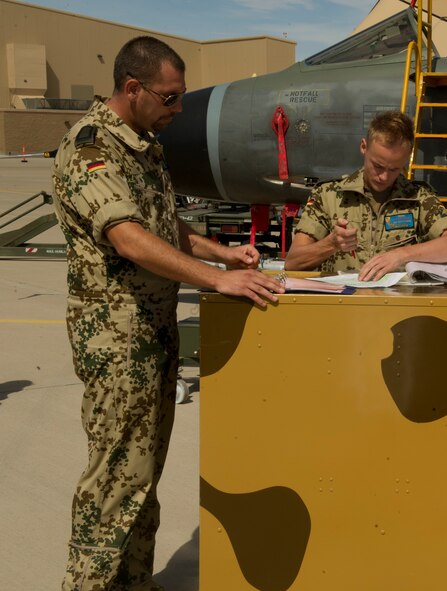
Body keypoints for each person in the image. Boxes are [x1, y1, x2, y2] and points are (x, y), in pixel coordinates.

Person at [52, 36, 284, 591]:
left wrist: (222, 252)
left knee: (144, 473)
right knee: (114, 480)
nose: (178, 110)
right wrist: (218, 279)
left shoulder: (142, 144)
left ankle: (134, 583)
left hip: (151, 334)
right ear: (133, 89)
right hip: (117, 339)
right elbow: (129, 238)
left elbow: (164, 227)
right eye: (171, 98)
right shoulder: (91, 149)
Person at [284, 111, 447, 281]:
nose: (384, 177)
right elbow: (293, 262)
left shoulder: (418, 197)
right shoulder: (328, 195)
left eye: (395, 169)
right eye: (378, 166)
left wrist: (401, 255)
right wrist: (331, 244)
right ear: (364, 147)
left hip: (397, 307)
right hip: (342, 306)